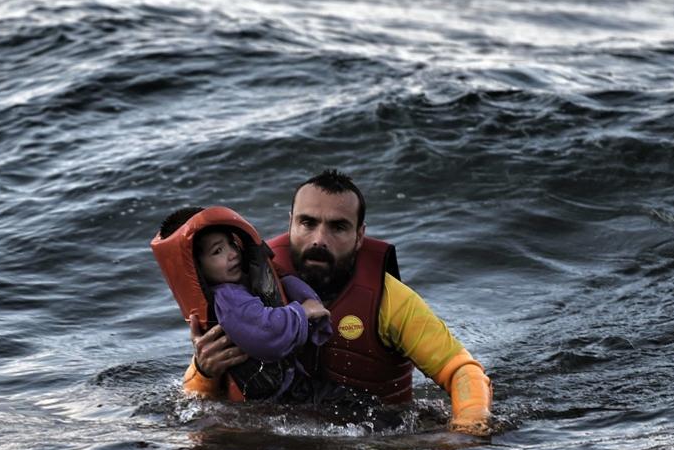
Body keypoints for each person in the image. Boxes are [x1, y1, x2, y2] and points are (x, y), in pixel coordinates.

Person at [183, 170, 494, 435]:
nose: (319, 239)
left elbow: (462, 371)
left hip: (371, 449)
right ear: (291, 223)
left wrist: (467, 434)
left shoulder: (390, 300)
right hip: (271, 447)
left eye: (338, 227)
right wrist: (204, 371)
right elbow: (195, 399)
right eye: (307, 223)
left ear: (360, 236)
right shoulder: (247, 285)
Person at [154, 206, 333, 400]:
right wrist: (302, 312)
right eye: (217, 251)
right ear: (197, 269)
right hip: (279, 398)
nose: (233, 253)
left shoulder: (245, 282)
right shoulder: (228, 298)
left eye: (232, 244)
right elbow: (265, 333)